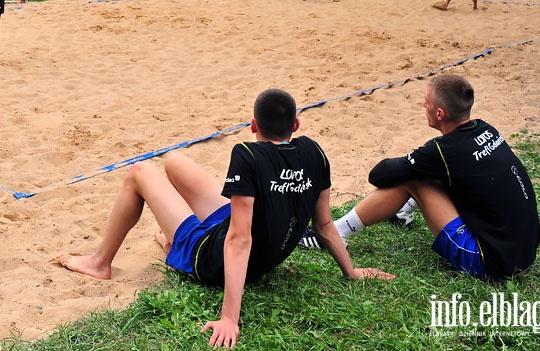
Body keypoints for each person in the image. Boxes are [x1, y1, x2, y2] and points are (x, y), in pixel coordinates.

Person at [59, 89, 392, 348]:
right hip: (250, 237)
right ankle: (173, 238)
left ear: (253, 126)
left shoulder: (247, 154)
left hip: (213, 256)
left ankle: (101, 262)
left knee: (140, 172)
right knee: (174, 161)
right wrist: (350, 271)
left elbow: (239, 239)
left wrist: (229, 318)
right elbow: (322, 224)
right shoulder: (313, 152)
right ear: (296, 125)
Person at [300, 74, 540, 283]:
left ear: (439, 113)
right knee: (430, 173)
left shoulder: (444, 151)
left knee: (415, 179)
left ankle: (338, 232)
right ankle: (401, 211)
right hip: (523, 253)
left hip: (489, 263)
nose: (422, 104)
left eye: (426, 102)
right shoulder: (486, 129)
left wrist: (412, 161)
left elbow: (379, 174)